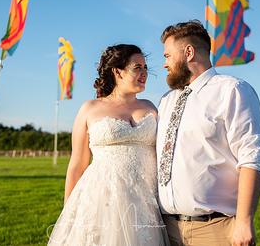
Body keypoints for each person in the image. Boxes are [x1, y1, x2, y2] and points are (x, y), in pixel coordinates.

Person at [156, 20, 260, 246]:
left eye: (167, 56)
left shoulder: (232, 91)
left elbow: (252, 157)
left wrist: (244, 222)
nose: (164, 64)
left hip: (215, 230)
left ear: (188, 52)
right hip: (166, 229)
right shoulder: (166, 100)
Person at [48, 44, 169, 245]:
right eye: (137, 67)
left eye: (145, 67)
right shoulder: (90, 109)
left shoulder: (152, 108)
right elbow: (77, 164)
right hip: (101, 202)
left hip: (146, 203)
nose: (144, 73)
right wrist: (68, 214)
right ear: (117, 72)